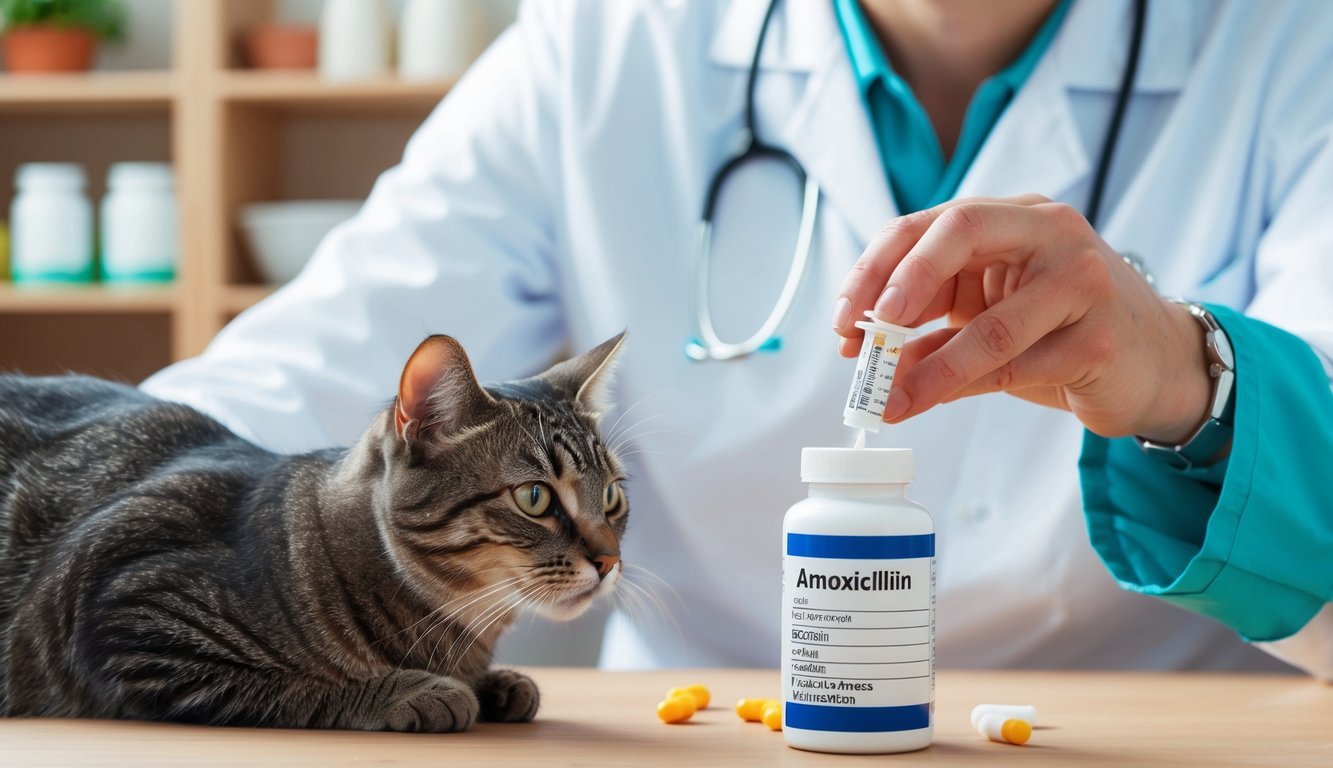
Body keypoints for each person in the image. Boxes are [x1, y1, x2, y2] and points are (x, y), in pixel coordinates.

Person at [144, 0, 1333, 678]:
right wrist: (75, 497)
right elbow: (304, 379)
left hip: (1171, 739)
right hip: (721, 739)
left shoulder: (1292, 45)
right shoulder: (606, 47)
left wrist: (1196, 381)